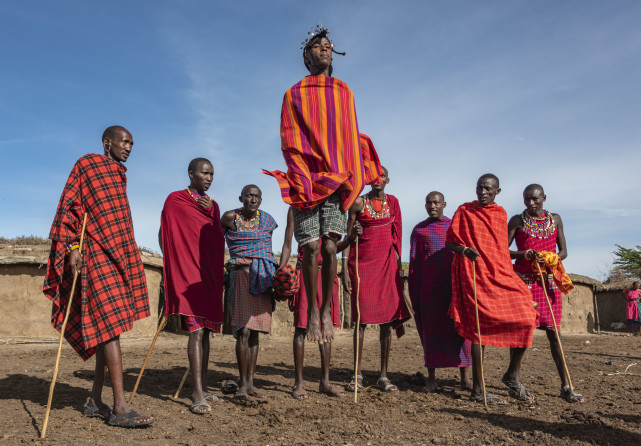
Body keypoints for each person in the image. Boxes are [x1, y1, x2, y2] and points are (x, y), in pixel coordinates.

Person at [264, 24, 383, 344]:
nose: (325, 49)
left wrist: (352, 166)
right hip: (305, 179)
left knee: (330, 246)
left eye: (329, 46)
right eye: (318, 46)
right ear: (307, 56)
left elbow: (346, 134)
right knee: (312, 247)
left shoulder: (344, 92)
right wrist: (300, 172)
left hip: (334, 180)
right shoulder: (293, 94)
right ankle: (314, 313)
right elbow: (290, 137)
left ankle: (327, 311)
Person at [43, 126, 154, 427]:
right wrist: (73, 248)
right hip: (94, 253)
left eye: (132, 142)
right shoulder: (87, 165)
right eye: (125, 141)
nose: (129, 147)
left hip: (118, 254)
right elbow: (70, 208)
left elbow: (117, 221)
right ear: (108, 143)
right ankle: (119, 408)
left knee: (110, 330)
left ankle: (95, 400)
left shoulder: (119, 175)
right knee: (110, 327)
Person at [445, 173, 537, 405]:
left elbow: (500, 250)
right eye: (479, 188)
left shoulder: (500, 214)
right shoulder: (464, 211)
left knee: (527, 317)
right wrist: (464, 250)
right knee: (478, 330)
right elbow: (449, 243)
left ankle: (512, 375)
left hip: (498, 273)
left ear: (497, 191)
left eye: (487, 189)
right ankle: (478, 389)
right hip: (473, 274)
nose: (482, 192)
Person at [159, 158, 225, 414]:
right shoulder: (175, 199)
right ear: (191, 173)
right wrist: (172, 267)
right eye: (205, 173)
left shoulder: (214, 206)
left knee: (206, 331)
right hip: (187, 273)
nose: (209, 178)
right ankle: (196, 393)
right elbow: (166, 231)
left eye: (212, 174)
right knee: (195, 331)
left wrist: (210, 212)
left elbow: (216, 238)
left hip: (206, 275)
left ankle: (204, 386)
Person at [508, 183, 583, 403]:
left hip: (549, 283)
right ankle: (514, 379)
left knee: (554, 335)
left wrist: (551, 258)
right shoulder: (517, 221)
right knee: (522, 333)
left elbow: (564, 251)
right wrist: (524, 254)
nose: (531, 203)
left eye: (535, 199)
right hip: (525, 284)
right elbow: (503, 249)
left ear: (544, 198)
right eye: (526, 199)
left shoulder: (556, 219)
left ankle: (566, 386)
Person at [278, 208, 362, 399]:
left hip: (327, 274)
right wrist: (281, 270)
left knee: (327, 327)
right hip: (305, 273)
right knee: (301, 327)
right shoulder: (297, 206)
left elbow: (332, 248)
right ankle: (298, 383)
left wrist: (350, 238)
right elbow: (287, 243)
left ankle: (325, 382)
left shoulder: (331, 207)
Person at [343, 167, 410, 392]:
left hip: (387, 266)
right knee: (360, 321)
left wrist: (398, 269)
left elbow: (397, 235)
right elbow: (347, 237)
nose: (377, 180)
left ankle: (383, 375)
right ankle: (357, 374)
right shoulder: (358, 203)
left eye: (381, 176)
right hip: (362, 266)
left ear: (388, 180)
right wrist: (344, 269)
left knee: (386, 322)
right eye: (373, 176)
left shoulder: (394, 202)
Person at [409, 191, 472, 393]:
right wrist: (415, 292)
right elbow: (414, 263)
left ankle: (465, 378)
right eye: (429, 203)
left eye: (436, 203)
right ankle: (431, 379)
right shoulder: (419, 230)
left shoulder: (455, 226)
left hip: (453, 288)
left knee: (460, 331)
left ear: (444, 204)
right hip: (429, 289)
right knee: (430, 333)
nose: (432, 206)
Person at [221, 185, 278, 399]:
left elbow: (265, 250)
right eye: (248, 196)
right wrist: (221, 270)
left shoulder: (268, 221)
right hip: (240, 274)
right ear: (241, 198)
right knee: (243, 330)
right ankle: (242, 384)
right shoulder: (228, 218)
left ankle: (251, 383)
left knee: (255, 332)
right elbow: (217, 244)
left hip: (262, 275)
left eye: (256, 196)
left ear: (261, 200)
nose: (252, 199)